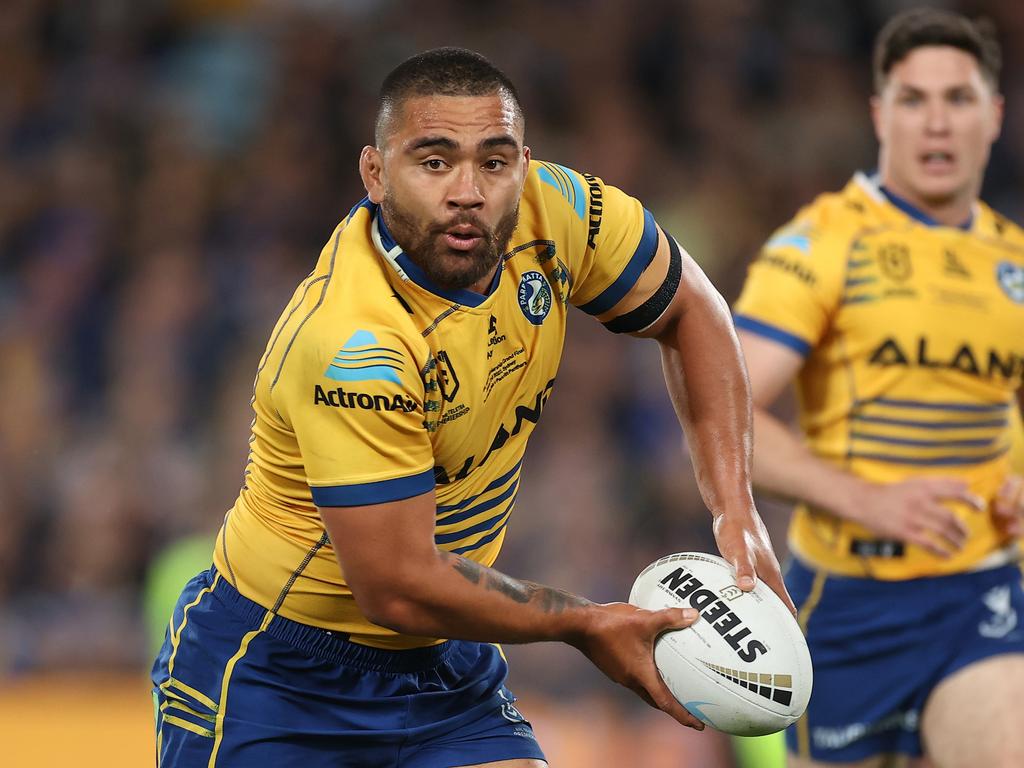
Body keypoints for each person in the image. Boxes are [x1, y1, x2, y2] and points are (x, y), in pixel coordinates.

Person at [151, 47, 791, 767]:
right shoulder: (354, 338)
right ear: (374, 173)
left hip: (444, 667)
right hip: (278, 675)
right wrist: (583, 623)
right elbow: (396, 585)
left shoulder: (555, 209)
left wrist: (736, 511)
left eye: (494, 161)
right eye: (434, 161)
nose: (468, 190)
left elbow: (693, 310)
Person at [733, 9, 1024, 768]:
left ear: (993, 117)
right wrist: (865, 497)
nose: (936, 123)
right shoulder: (824, 241)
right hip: (849, 602)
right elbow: (720, 416)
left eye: (958, 99)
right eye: (913, 99)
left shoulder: (1015, 262)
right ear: (878, 115)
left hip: (979, 597)